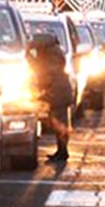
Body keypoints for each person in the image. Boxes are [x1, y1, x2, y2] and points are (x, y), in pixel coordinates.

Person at [29, 34, 74, 162]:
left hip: (58, 93)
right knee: (59, 123)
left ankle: (63, 151)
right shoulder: (52, 51)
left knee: (59, 123)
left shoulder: (51, 55)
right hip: (60, 91)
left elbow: (47, 74)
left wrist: (40, 92)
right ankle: (61, 151)